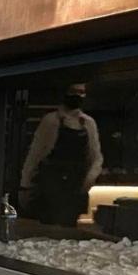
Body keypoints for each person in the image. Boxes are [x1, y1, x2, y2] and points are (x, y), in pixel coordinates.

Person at [19, 83, 104, 227]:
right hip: (50, 188)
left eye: (81, 92)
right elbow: (35, 154)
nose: (77, 96)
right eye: (73, 92)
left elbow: (96, 157)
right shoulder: (51, 121)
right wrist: (25, 184)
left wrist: (88, 180)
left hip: (75, 189)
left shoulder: (88, 123)